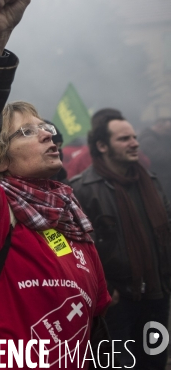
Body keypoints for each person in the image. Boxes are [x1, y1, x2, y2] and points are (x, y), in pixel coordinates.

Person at [0, 0, 110, 367]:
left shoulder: (73, 221)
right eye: (27, 132)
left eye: (47, 127)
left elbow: (93, 321)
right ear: (0, 159)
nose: (49, 136)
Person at [71, 112, 171, 368]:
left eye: (135, 137)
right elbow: (77, 251)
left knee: (155, 364)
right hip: (115, 305)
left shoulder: (151, 182)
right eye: (124, 138)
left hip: (156, 297)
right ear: (102, 146)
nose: (135, 143)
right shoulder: (82, 190)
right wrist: (105, 290)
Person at [139, 117, 171, 200]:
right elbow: (161, 158)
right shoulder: (148, 139)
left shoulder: (159, 138)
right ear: (159, 126)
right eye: (167, 130)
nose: (168, 133)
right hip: (159, 180)